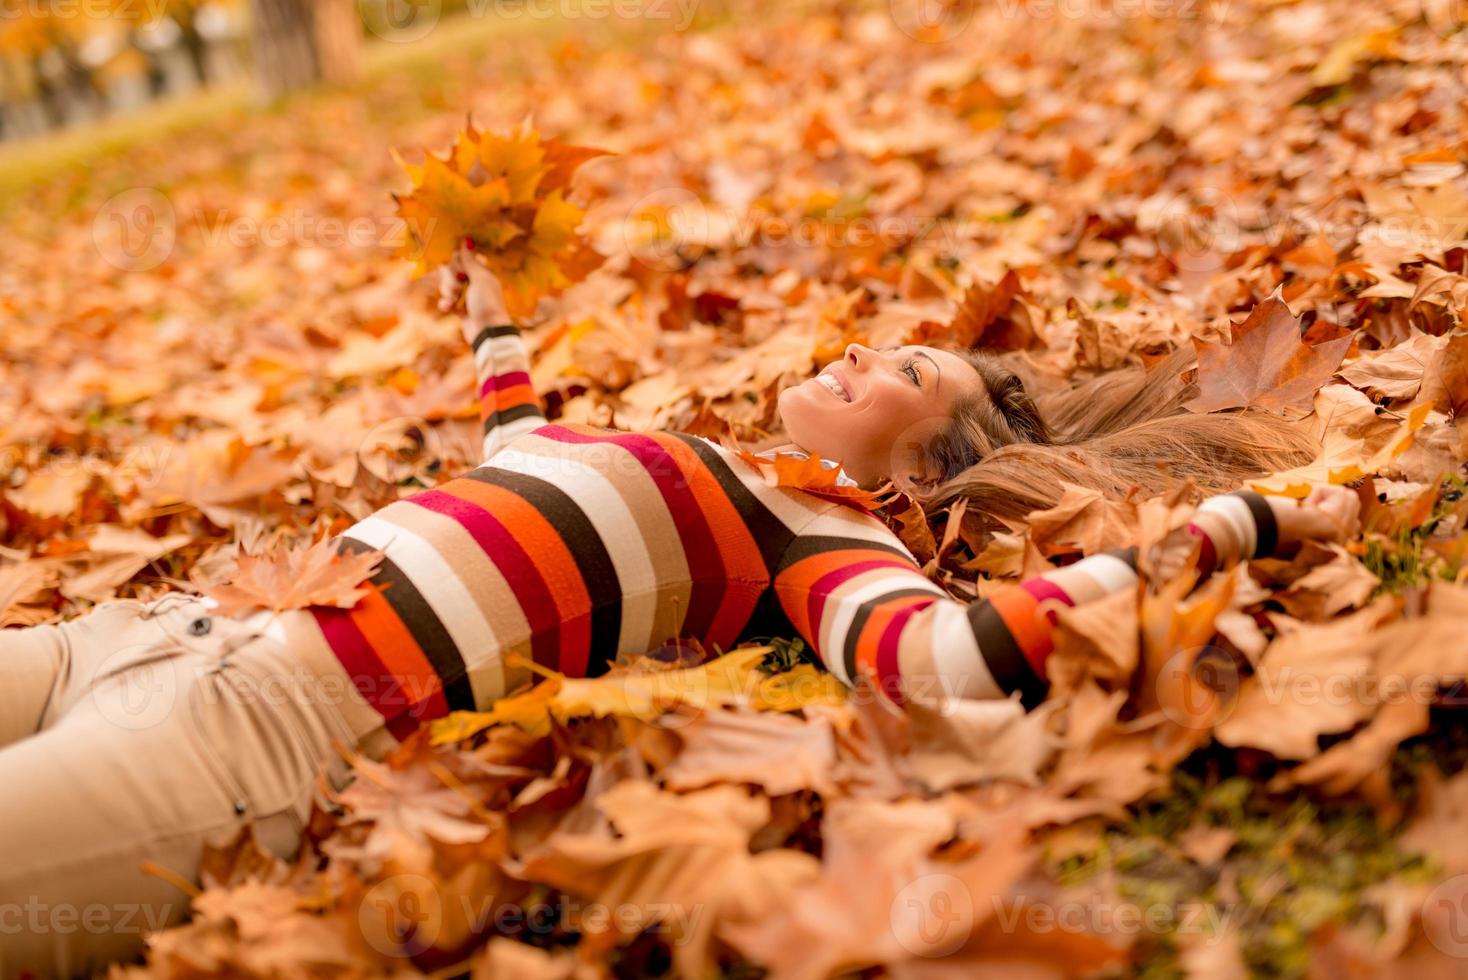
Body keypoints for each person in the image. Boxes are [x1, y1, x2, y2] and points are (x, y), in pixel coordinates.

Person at [0, 252, 1357, 975]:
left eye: (904, 370)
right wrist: (492, 322)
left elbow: (952, 661)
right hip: (144, 636)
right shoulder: (711, 463)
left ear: (926, 470)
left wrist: (1228, 530)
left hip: (242, 748)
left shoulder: (813, 531)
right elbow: (516, 456)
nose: (858, 348)